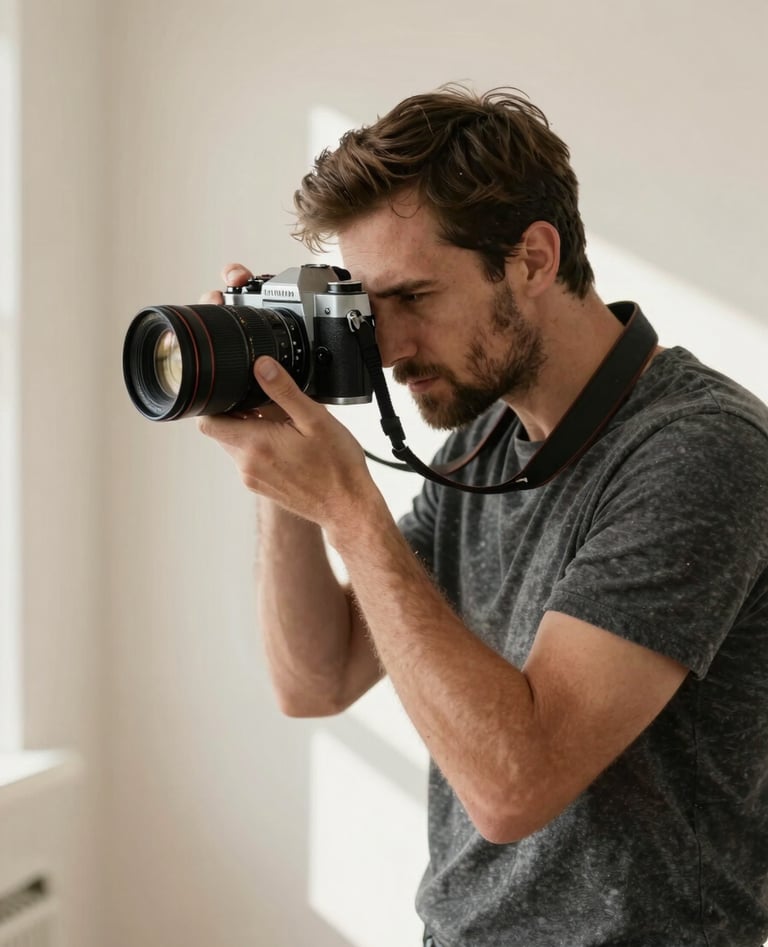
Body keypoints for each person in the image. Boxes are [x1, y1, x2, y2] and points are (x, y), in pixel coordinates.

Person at [198, 86, 768, 946]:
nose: (387, 345)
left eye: (415, 297)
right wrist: (282, 449)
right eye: (369, 305)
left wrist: (352, 506)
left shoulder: (700, 451)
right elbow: (316, 678)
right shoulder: (491, 441)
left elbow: (514, 787)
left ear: (534, 259)